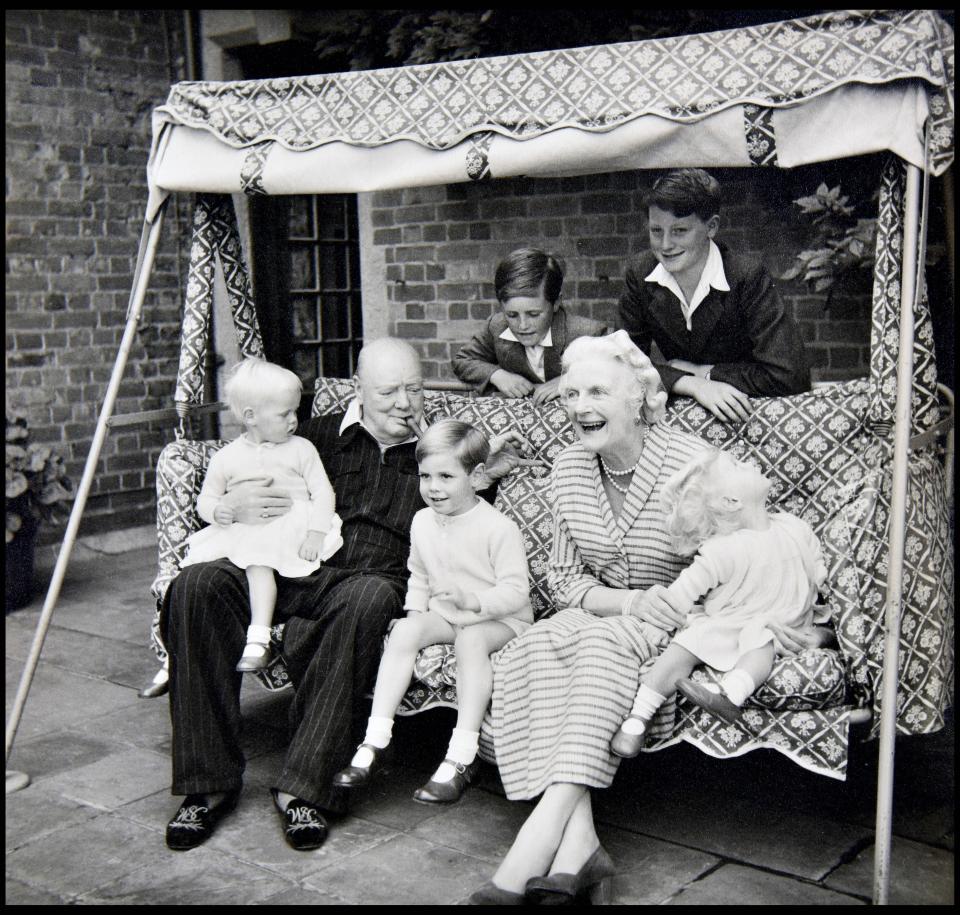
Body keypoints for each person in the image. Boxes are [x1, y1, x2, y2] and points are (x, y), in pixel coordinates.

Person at [469, 331, 831, 905]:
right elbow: (564, 582)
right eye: (570, 394)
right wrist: (625, 602)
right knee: (529, 649)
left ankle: (530, 851)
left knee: (599, 650)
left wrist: (771, 612)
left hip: (681, 620)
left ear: (639, 397)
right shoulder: (567, 468)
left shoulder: (691, 463)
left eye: (596, 392)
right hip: (607, 610)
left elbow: (747, 546)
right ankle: (580, 848)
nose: (579, 407)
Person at [162, 338, 523, 853]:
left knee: (369, 599)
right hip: (286, 567)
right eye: (389, 392)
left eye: (415, 389)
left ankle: (306, 788)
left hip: (368, 581)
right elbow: (242, 465)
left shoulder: (437, 451)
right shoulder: (310, 435)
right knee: (195, 587)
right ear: (357, 390)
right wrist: (231, 502)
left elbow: (463, 512)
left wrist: (482, 475)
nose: (405, 403)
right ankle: (206, 782)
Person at [333, 419, 533, 804]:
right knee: (405, 633)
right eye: (426, 476)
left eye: (445, 476)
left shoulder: (498, 528)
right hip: (449, 615)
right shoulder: (422, 520)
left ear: (476, 477)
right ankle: (376, 740)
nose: (433, 487)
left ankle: (461, 753)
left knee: (472, 640)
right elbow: (418, 574)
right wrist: (414, 616)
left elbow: (515, 592)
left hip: (501, 620)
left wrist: (475, 602)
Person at [610, 448, 829, 758]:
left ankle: (729, 694)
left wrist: (818, 625)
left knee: (761, 640)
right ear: (732, 502)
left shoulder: (794, 527)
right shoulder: (723, 550)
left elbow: (819, 577)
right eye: (739, 464)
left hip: (776, 626)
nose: (749, 460)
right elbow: (681, 594)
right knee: (688, 641)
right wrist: (658, 624)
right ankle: (638, 717)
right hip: (730, 620)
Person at [180, 359, 343, 672]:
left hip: (292, 527)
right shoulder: (227, 458)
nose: (294, 420)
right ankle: (190, 649)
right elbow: (207, 499)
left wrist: (316, 532)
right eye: (284, 414)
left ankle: (259, 636)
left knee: (260, 561)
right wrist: (219, 511)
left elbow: (323, 493)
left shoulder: (301, 449)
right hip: (248, 529)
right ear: (250, 417)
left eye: (296, 411)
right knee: (219, 569)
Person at [617, 168, 810, 423]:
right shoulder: (641, 274)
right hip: (682, 414)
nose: (664, 245)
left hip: (746, 412)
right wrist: (691, 383)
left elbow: (790, 374)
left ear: (711, 227)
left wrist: (705, 373)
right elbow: (622, 363)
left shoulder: (746, 277)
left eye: (679, 230)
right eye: (656, 230)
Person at [452, 247, 609, 405]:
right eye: (512, 315)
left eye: (533, 314)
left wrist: (568, 380)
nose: (523, 325)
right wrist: (497, 374)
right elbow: (462, 360)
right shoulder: (497, 326)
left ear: (556, 303)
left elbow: (617, 371)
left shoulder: (588, 333)